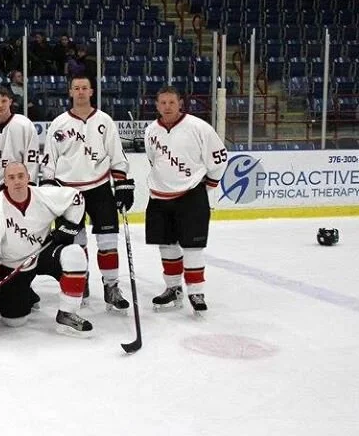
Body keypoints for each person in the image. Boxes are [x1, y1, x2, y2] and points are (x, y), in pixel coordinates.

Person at [40, 75, 132, 311]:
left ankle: (111, 286)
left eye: (85, 88)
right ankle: (82, 282)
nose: (80, 92)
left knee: (108, 241)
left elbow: (117, 156)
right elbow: (50, 161)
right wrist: (50, 191)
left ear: (91, 92)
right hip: (68, 192)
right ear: (70, 92)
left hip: (99, 187)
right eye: (76, 88)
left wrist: (122, 185)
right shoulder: (59, 123)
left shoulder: (104, 121)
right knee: (75, 244)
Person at [0, 162, 92, 335]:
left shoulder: (44, 195)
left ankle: (67, 314)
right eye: (11, 177)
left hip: (42, 252)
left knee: (74, 254)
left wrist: (68, 227)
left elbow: (76, 198)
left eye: (21, 176)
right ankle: (20, 294)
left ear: (29, 178)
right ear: (5, 182)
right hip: (13, 265)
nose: (17, 181)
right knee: (14, 321)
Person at [144, 86, 228, 313]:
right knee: (166, 246)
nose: (167, 107)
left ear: (180, 103)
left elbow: (219, 158)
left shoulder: (199, 127)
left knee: (192, 247)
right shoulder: (151, 130)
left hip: (191, 196)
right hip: (159, 197)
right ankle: (173, 289)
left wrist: (208, 185)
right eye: (163, 102)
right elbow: (153, 160)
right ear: (157, 105)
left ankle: (196, 292)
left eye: (172, 102)